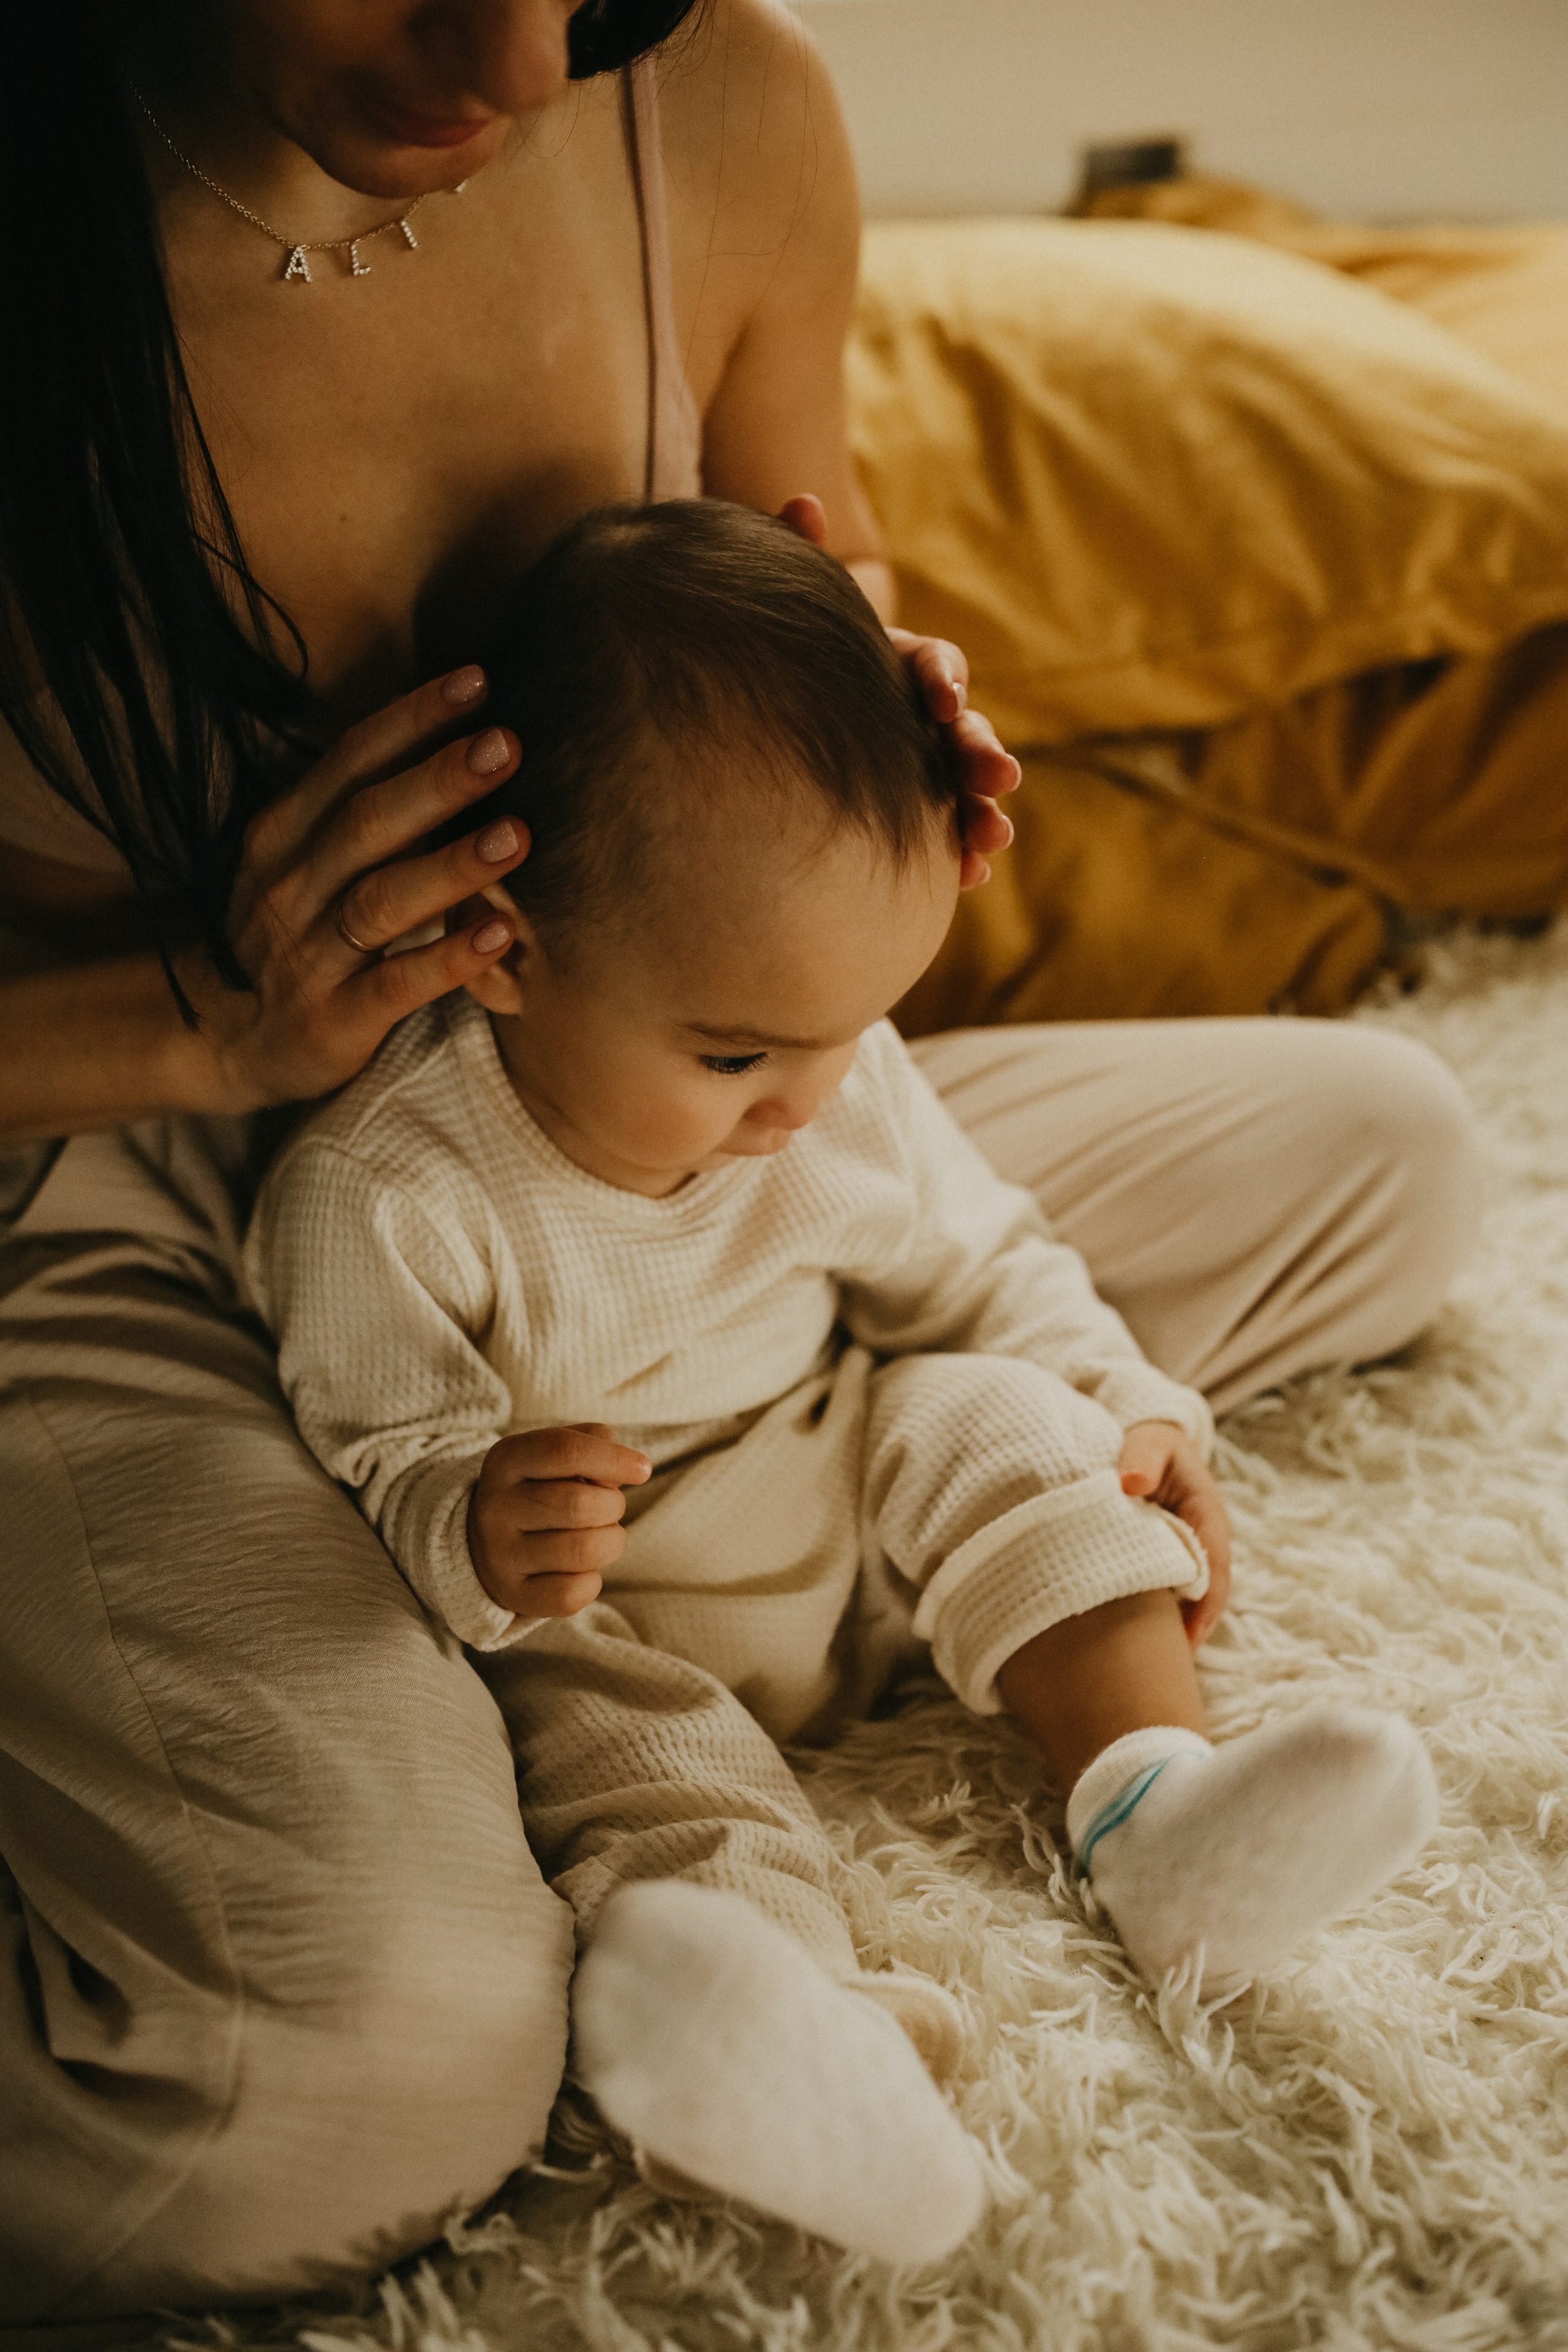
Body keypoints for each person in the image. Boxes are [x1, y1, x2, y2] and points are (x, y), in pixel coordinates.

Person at [0, 0, 1480, 2328]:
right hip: (142, 1176)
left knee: (1396, 1149)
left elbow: (818, 589)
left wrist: (865, 714)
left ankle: (1058, 1738)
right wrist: (200, 1015)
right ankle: (681, 1865)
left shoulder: (728, 118)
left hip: (679, 1126)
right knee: (343, 2079)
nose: (507, 57)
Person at [249, 497, 1440, 2263]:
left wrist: (1134, 1413)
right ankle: (798, 2029)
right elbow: (377, 1456)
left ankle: (1155, 1809)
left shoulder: (832, 1074)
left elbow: (988, 1260)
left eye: (845, 1034)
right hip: (617, 1608)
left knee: (1001, 1420)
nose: (804, 1104)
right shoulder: (389, 1185)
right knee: (638, 1773)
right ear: (504, 949)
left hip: (835, 1475)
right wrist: (471, 1521)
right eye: (735, 1053)